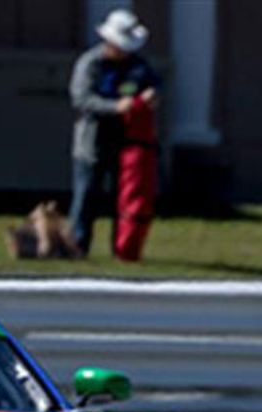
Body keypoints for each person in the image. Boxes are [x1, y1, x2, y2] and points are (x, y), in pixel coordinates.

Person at [67, 9, 160, 256]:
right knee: (86, 196)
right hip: (92, 142)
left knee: (123, 198)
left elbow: (153, 84)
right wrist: (115, 107)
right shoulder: (90, 63)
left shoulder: (137, 65)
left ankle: (122, 248)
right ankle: (78, 245)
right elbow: (81, 99)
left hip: (125, 142)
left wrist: (150, 96)